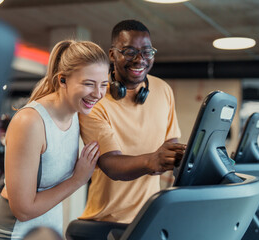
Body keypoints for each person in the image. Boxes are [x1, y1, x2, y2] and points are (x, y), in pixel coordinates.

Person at [0, 40, 109, 239]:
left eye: (104, 84)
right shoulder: (30, 122)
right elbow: (22, 210)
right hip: (12, 234)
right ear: (62, 80)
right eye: (88, 84)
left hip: (47, 233)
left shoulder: (77, 113)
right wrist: (78, 180)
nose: (98, 93)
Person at [78, 20, 186, 224]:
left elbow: (170, 140)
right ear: (112, 54)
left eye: (147, 52)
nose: (140, 60)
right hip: (106, 221)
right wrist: (151, 161)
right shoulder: (95, 100)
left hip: (149, 216)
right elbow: (110, 164)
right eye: (129, 51)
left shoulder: (163, 89)